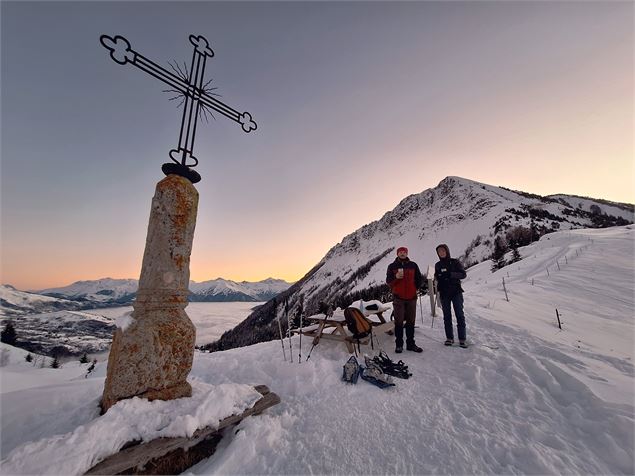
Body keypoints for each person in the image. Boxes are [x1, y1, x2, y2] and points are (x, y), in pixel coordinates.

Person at [386, 246, 423, 353]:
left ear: (407, 253)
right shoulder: (392, 266)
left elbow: (419, 278)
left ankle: (411, 344)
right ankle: (399, 345)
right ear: (397, 254)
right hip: (398, 298)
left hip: (411, 298)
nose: (402, 254)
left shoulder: (413, 265)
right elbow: (389, 282)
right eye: (400, 252)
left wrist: (415, 288)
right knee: (399, 322)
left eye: (404, 252)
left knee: (411, 322)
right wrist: (396, 277)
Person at [434, 244, 468, 348]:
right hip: (444, 293)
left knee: (459, 315)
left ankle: (462, 339)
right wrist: (437, 278)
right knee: (447, 317)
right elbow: (437, 277)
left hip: (456, 292)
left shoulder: (455, 262)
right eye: (439, 252)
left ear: (447, 251)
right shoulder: (438, 265)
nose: (441, 253)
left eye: (443, 251)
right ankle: (449, 338)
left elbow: (463, 274)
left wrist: (451, 274)